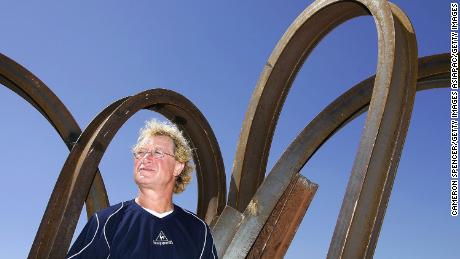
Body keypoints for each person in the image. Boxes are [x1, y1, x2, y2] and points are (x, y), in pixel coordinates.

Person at [66, 119, 218, 259]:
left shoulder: (198, 230)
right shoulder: (106, 222)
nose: (145, 158)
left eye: (157, 153)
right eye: (141, 152)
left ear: (178, 167)